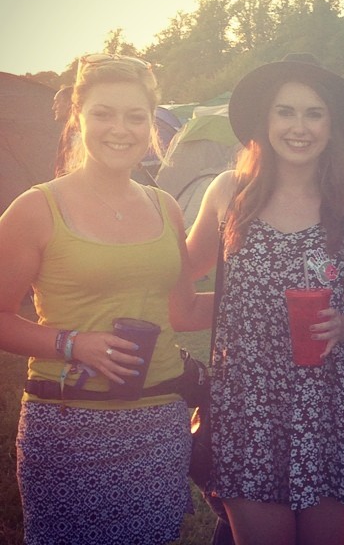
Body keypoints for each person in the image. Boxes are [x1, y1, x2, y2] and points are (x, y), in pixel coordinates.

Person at [0, 53, 213, 545]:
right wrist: (73, 344)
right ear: (78, 117)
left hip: (160, 422)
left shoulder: (165, 207)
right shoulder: (38, 207)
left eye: (135, 116)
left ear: (152, 123)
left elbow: (182, 311)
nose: (120, 129)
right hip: (68, 425)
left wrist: (256, 295)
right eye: (103, 113)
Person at [186, 54, 344, 545]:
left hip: (329, 404)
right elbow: (178, 273)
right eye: (285, 111)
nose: (299, 127)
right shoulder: (229, 193)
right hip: (246, 404)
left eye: (314, 113)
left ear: (331, 126)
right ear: (264, 121)